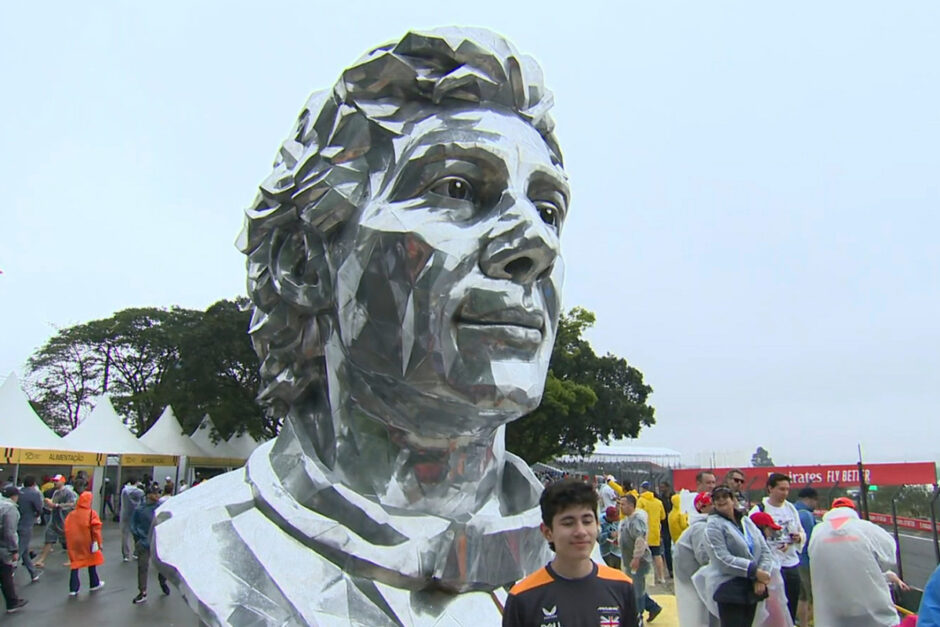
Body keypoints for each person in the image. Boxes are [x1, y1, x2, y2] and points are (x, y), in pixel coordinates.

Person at [154, 27, 574, 625]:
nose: (536, 243)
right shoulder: (216, 546)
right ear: (305, 261)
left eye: (548, 209)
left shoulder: (571, 557)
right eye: (456, 188)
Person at [503, 479, 636, 626]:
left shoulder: (622, 587)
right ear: (547, 532)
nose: (580, 531)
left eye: (587, 521)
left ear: (597, 525)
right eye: (568, 523)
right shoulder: (522, 597)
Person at [808, 497, 907, 627]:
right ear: (852, 510)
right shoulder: (865, 527)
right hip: (868, 603)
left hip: (832, 604)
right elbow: (889, 552)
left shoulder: (818, 531)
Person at [695, 485, 774, 627]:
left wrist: (761, 577)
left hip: (751, 587)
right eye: (716, 498)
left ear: (733, 499)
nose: (721, 500)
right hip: (728, 588)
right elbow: (721, 559)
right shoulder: (713, 526)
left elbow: (765, 550)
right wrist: (754, 571)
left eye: (725, 496)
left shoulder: (746, 522)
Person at [749, 473, 804, 622]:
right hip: (771, 564)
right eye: (781, 489)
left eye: (787, 489)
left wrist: (798, 538)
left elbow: (800, 530)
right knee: (774, 605)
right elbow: (752, 536)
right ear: (770, 489)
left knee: (791, 600)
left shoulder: (790, 508)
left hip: (790, 561)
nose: (785, 493)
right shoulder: (759, 509)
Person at [674, 492, 718, 627]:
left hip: (692, 577)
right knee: (699, 617)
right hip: (693, 579)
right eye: (713, 504)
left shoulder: (699, 525)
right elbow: (704, 557)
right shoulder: (701, 527)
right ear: (703, 507)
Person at [620, 493, 663, 623]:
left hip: (638, 561)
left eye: (623, 504)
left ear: (631, 505)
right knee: (635, 587)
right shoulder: (627, 519)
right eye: (620, 504)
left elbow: (640, 539)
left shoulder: (637, 520)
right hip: (630, 559)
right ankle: (652, 607)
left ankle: (638, 616)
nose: (621, 507)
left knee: (637, 590)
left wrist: (637, 557)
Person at [749, 512, 795, 627]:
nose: (771, 533)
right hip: (770, 597)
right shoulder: (759, 550)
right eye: (769, 529)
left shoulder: (759, 546)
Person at [130, 486, 170, 604]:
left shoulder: (161, 509)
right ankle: (142, 591)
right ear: (148, 495)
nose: (157, 495)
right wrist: (138, 539)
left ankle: (162, 580)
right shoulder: (139, 510)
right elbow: (134, 525)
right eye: (154, 493)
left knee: (162, 565)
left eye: (158, 493)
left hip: (158, 541)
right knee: (142, 567)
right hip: (144, 542)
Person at [63, 491, 104, 596]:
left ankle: (73, 589)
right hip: (88, 541)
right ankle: (94, 583)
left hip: (74, 543)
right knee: (91, 561)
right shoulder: (91, 513)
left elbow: (66, 528)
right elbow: (96, 529)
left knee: (75, 564)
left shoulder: (72, 514)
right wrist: (99, 542)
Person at [34, 474, 76, 569]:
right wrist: (49, 504)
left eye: (57, 481)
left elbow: (72, 504)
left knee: (69, 541)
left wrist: (56, 505)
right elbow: (53, 504)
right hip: (55, 519)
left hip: (65, 520)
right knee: (49, 540)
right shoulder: (56, 492)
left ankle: (72, 559)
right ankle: (41, 560)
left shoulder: (68, 492)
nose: (55, 482)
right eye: (54, 481)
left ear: (63, 481)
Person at [0, 486, 28, 613]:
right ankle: (12, 602)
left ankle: (12, 601)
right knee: (6, 575)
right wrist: (14, 550)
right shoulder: (10, 509)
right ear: (14, 496)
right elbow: (9, 531)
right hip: (3, 548)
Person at [793, 487, 817, 627]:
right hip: (805, 561)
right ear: (809, 499)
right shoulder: (806, 515)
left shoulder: (791, 511)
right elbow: (810, 542)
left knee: (799, 596)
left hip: (791, 560)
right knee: (810, 596)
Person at [638, 481, 668, 583]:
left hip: (643, 533)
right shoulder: (658, 502)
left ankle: (646, 578)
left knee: (643, 557)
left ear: (642, 489)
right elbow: (663, 516)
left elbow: (637, 516)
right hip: (655, 533)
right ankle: (661, 577)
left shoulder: (641, 501)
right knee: (657, 555)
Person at [16, 476, 43, 583]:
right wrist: (37, 515)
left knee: (25, 550)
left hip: (17, 522)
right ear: (33, 483)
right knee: (20, 549)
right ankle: (9, 571)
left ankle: (33, 573)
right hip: (27, 523)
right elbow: (39, 508)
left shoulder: (18, 492)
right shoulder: (34, 494)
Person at [119, 476, 143, 561]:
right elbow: (143, 496)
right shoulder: (139, 491)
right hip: (135, 515)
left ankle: (125, 555)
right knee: (137, 534)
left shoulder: (124, 490)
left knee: (125, 536)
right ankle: (136, 553)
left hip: (125, 514)